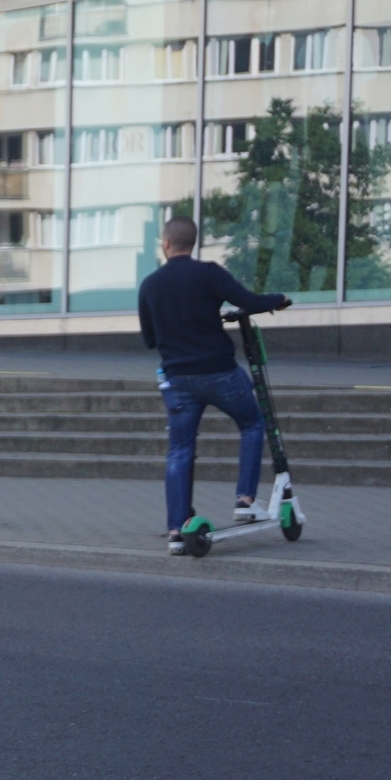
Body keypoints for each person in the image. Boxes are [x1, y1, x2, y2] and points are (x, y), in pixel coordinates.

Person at [136, 216, 291, 552]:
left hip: (177, 380)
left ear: (165, 244)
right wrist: (278, 298)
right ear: (192, 244)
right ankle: (245, 499)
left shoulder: (149, 285)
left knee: (179, 451)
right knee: (252, 422)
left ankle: (176, 531)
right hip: (219, 373)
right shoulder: (208, 273)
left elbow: (149, 339)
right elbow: (249, 301)